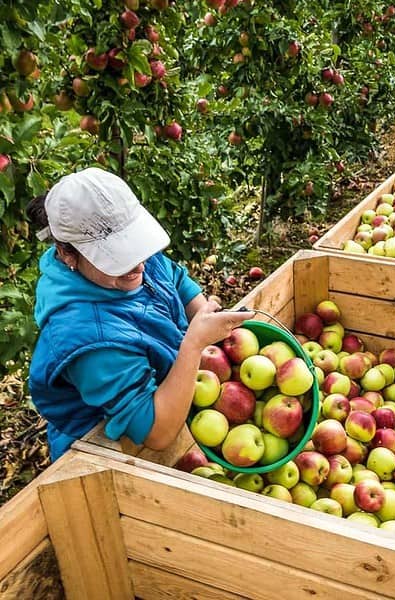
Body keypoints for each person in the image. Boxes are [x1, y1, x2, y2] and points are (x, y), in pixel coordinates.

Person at [26, 167, 254, 461]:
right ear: (68, 254)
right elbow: (157, 433)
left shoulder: (132, 260)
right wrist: (194, 345)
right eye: (116, 258)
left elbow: (172, 278)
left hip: (174, 393)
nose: (138, 266)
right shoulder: (86, 339)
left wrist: (203, 314)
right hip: (106, 456)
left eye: (137, 248)